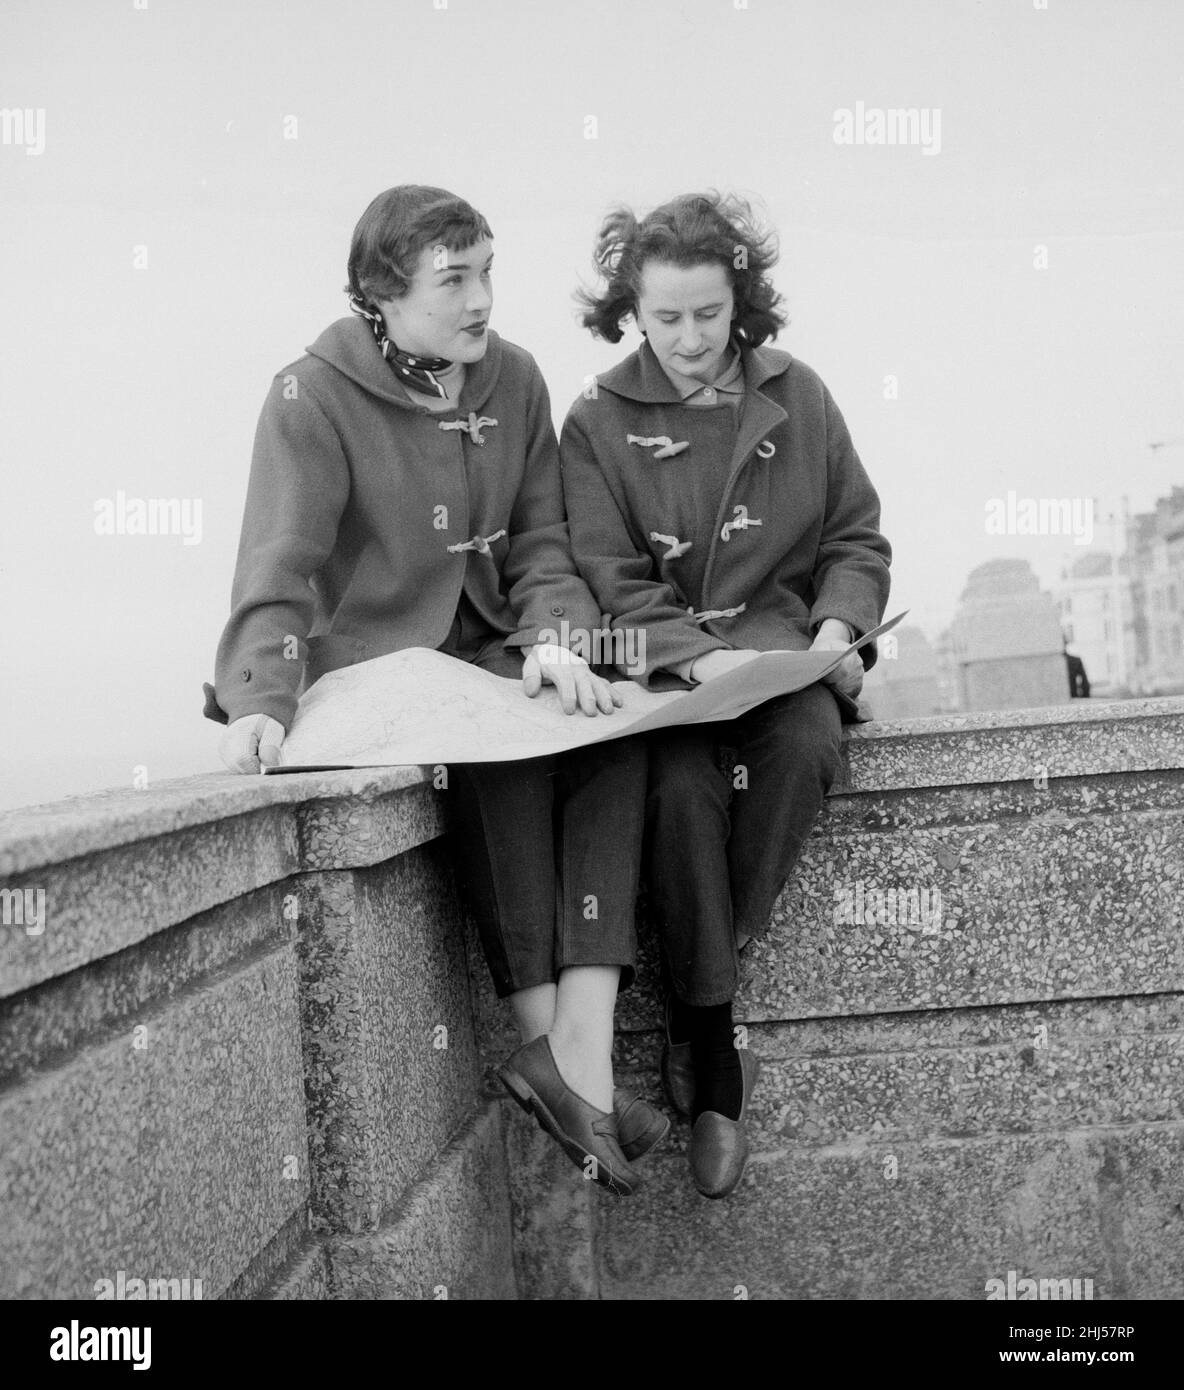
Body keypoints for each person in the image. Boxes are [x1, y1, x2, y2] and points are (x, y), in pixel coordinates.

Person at [203, 185, 666, 1196]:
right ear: (381, 293)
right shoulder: (311, 395)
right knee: (495, 754)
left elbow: (544, 542)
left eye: (488, 270)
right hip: (383, 670)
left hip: (500, 650)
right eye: (453, 279)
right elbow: (278, 559)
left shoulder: (517, 379)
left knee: (617, 728)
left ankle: (572, 1060)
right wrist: (256, 700)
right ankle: (564, 1062)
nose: (480, 298)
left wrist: (554, 640)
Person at [560, 192, 892, 1198]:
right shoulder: (594, 421)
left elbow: (855, 538)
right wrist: (696, 663)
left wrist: (835, 635)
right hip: (664, 680)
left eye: (707, 313)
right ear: (632, 307)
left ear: (737, 297)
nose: (689, 338)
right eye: (665, 317)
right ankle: (717, 1061)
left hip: (786, 664)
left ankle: (697, 1002)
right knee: (674, 794)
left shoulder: (802, 395)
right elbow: (606, 577)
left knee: (800, 751)